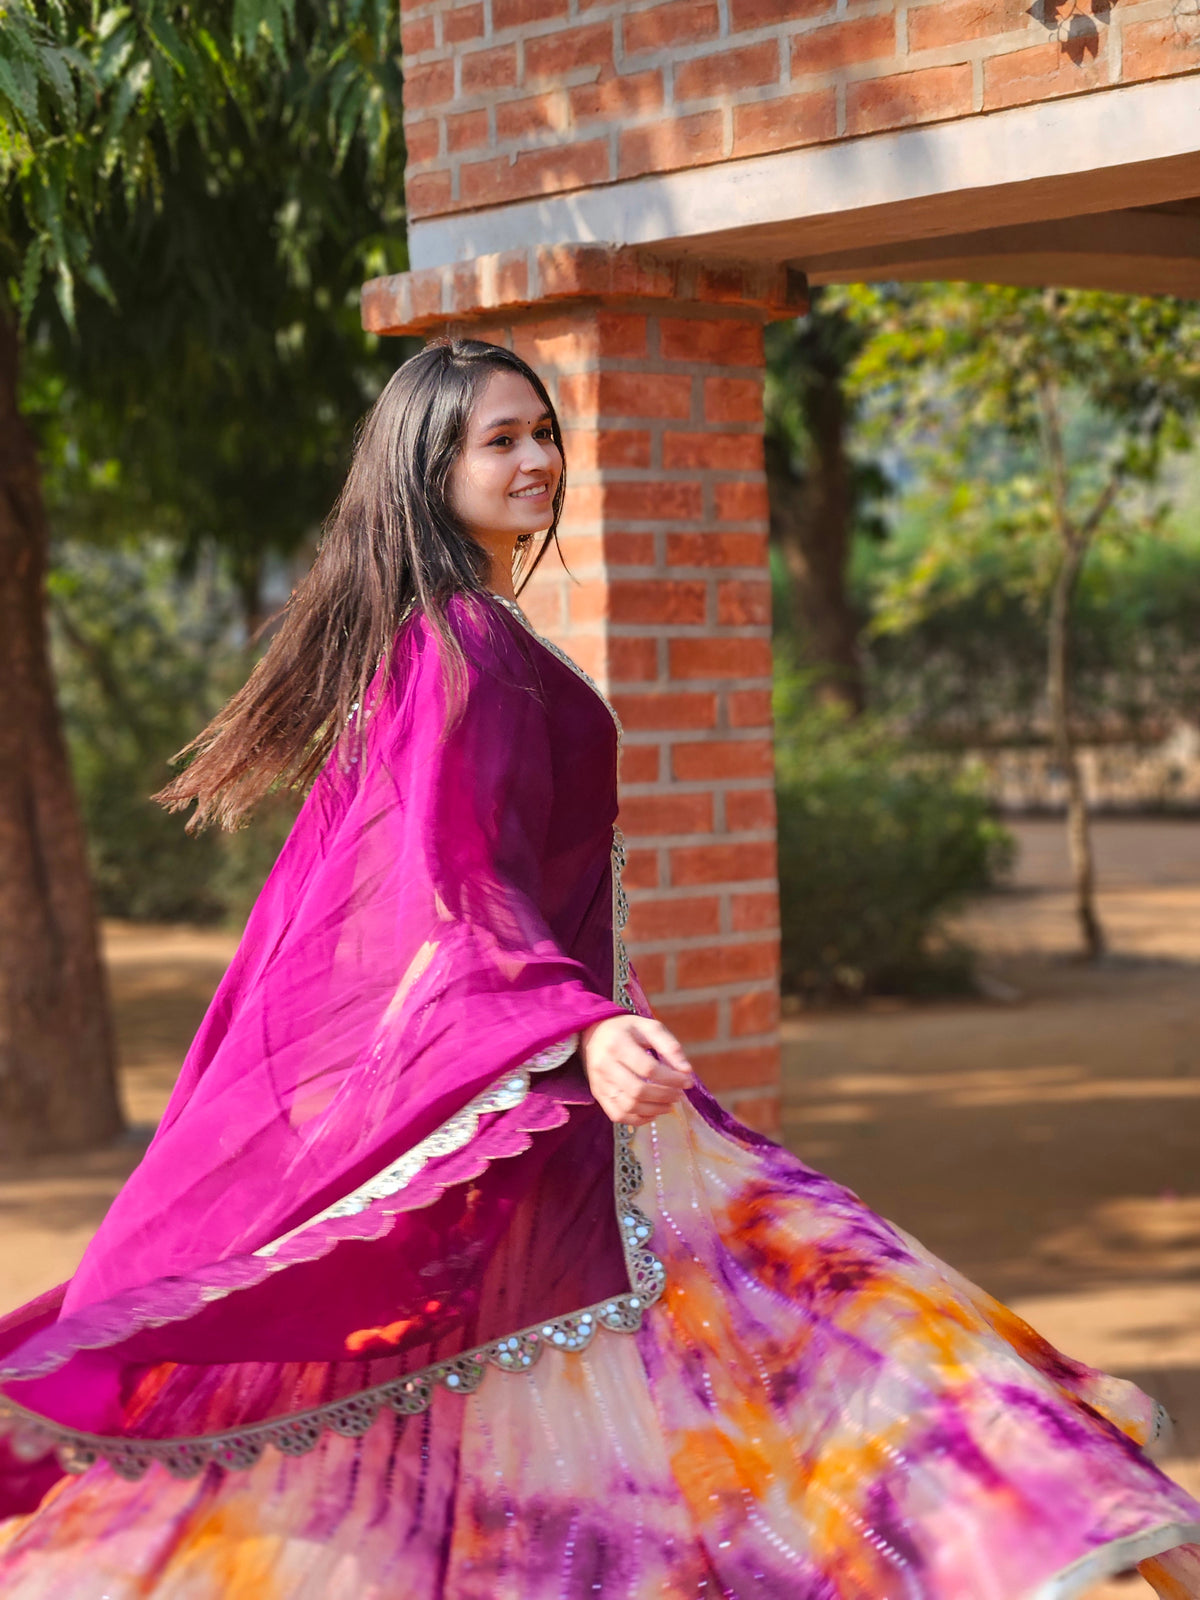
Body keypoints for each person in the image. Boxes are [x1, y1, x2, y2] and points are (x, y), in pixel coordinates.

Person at [0, 338, 1197, 1600]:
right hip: (574, 1104)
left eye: (542, 433)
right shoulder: (462, 650)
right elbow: (452, 885)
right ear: (427, 468)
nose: (535, 460)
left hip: (586, 1113)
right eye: (498, 440)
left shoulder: (456, 639)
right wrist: (573, 1028)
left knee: (787, 1359)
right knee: (870, 1336)